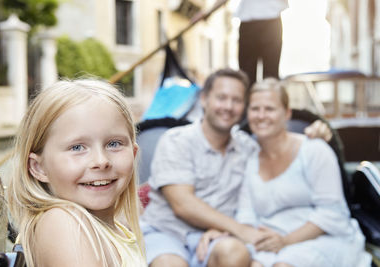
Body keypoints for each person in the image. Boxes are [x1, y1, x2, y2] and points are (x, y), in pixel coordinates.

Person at [140, 68, 333, 267]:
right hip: (167, 233)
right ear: (204, 99)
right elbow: (183, 205)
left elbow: (282, 148)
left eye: (237, 100)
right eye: (221, 98)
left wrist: (316, 135)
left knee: (235, 253)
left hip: (218, 236)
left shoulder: (249, 148)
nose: (228, 106)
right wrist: (240, 230)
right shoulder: (176, 141)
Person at [7, 79, 146, 267]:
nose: (101, 161)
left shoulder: (117, 229)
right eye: (77, 147)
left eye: (114, 144)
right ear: (39, 168)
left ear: (133, 153)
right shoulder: (64, 224)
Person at [232, 78, 370, 267]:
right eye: (255, 109)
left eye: (270, 109)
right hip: (269, 240)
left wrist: (285, 241)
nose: (261, 115)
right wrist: (259, 239)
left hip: (321, 238)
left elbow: (331, 213)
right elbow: (246, 213)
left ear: (287, 113)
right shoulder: (247, 155)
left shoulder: (314, 150)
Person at [235, 0, 288, 85]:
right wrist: (208, 13)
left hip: (271, 20)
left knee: (270, 77)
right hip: (250, 20)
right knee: (247, 76)